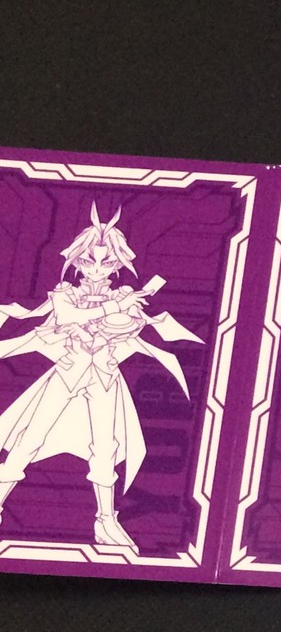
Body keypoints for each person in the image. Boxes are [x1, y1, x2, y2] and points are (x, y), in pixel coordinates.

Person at [0, 204, 201, 553]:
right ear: (77, 261)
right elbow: (67, 316)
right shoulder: (65, 292)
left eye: (106, 262)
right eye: (89, 261)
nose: (96, 269)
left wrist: (124, 313)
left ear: (117, 264)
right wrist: (112, 310)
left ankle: (106, 520)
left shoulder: (124, 297)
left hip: (104, 374)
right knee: (29, 439)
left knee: (106, 447)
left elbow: (131, 326)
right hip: (68, 369)